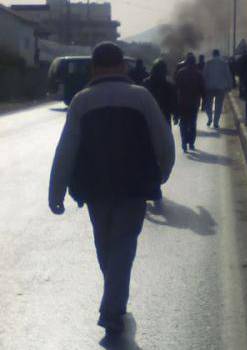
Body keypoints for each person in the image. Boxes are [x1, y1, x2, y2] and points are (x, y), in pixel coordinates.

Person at [48, 42, 175, 342]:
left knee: (105, 245)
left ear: (94, 68)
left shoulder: (81, 101)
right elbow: (164, 142)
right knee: (123, 247)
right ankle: (113, 306)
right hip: (133, 188)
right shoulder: (141, 98)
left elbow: (66, 150)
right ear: (122, 66)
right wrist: (162, 174)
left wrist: (56, 192)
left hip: (95, 191)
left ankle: (113, 306)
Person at [175, 53, 205, 152]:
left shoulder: (180, 72)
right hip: (194, 103)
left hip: (182, 102)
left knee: (183, 123)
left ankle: (184, 142)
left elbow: (176, 88)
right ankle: (191, 143)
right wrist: (204, 103)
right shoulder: (198, 74)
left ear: (186, 62)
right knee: (192, 123)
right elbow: (202, 89)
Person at [203, 49, 233, 129]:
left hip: (209, 87)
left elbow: (204, 75)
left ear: (213, 54)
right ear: (218, 54)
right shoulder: (224, 63)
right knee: (218, 106)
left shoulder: (208, 63)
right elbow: (228, 75)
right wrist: (230, 85)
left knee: (207, 105)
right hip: (220, 88)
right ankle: (216, 122)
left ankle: (210, 118)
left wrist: (203, 85)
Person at [143, 59, 177, 127]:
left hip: (150, 116)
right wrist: (176, 115)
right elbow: (173, 102)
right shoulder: (168, 85)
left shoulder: (146, 83)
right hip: (163, 115)